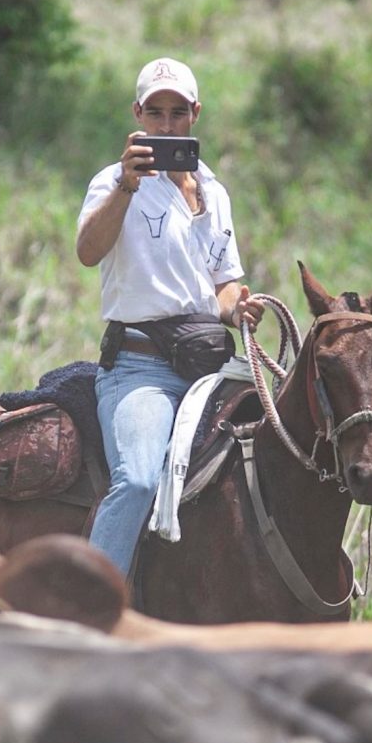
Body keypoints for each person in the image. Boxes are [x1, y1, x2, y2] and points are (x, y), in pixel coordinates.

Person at [76, 57, 263, 579]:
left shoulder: (215, 193)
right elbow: (89, 251)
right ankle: (92, 603)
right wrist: (126, 188)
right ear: (137, 113)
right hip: (141, 367)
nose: (164, 125)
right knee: (136, 480)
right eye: (154, 112)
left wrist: (237, 307)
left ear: (195, 114)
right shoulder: (112, 182)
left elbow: (222, 283)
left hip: (209, 366)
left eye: (176, 112)